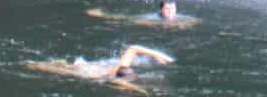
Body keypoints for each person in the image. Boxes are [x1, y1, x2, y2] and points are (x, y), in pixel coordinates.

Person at [25, 44, 173, 93]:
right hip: (95, 74)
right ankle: (34, 64)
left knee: (68, 69)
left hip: (96, 73)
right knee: (67, 70)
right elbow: (129, 85)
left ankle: (34, 64)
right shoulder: (119, 73)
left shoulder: (120, 72)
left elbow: (133, 48)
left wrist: (159, 56)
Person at [85, 0, 199, 28]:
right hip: (147, 20)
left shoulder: (180, 18)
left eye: (173, 9)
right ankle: (100, 14)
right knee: (124, 18)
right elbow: (135, 22)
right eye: (167, 9)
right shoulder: (153, 18)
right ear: (161, 10)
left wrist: (183, 25)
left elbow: (196, 21)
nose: (171, 12)